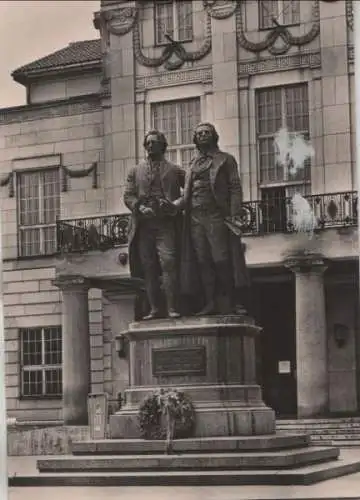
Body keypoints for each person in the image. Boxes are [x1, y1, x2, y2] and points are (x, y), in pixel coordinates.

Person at [175, 122, 250, 316]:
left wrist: (234, 215)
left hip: (216, 215)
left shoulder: (226, 159)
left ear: (214, 136)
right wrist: (171, 206)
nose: (202, 135)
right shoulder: (192, 164)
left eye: (207, 132)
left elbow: (234, 187)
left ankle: (232, 301)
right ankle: (209, 302)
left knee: (222, 260)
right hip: (195, 218)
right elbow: (186, 196)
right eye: (199, 133)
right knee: (203, 261)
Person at [124, 130, 185, 320]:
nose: (150, 146)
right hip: (144, 227)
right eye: (148, 143)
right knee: (148, 267)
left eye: (155, 142)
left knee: (168, 263)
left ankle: (172, 307)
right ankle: (154, 309)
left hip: (166, 224)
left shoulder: (175, 170)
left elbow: (190, 192)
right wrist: (139, 208)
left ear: (163, 146)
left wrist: (175, 205)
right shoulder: (135, 171)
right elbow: (128, 195)